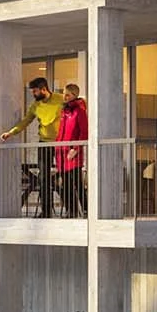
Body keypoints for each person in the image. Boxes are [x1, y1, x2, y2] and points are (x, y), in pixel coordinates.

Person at [0, 77, 63, 214]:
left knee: (66, 175)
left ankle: (74, 209)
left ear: (44, 89)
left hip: (62, 143)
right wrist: (10, 133)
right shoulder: (35, 106)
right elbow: (26, 121)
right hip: (44, 143)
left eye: (35, 91)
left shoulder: (60, 99)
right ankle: (46, 212)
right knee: (43, 177)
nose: (33, 94)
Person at [54, 83, 89, 217]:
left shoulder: (79, 111)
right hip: (62, 154)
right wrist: (56, 148)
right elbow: (61, 132)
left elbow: (84, 132)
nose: (65, 96)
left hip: (73, 155)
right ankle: (71, 210)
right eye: (64, 93)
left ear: (74, 95)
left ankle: (85, 210)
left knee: (77, 184)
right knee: (66, 185)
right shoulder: (64, 112)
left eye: (67, 94)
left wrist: (75, 149)